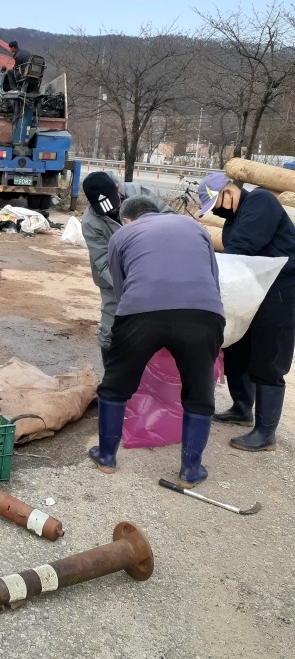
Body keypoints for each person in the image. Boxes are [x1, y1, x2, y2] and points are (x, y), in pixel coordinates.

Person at [89, 196, 225, 487]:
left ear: (127, 219)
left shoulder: (122, 234)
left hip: (141, 313)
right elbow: (214, 277)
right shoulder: (195, 227)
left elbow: (120, 285)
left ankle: (107, 457)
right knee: (199, 393)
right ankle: (190, 470)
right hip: (203, 314)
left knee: (115, 385)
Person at [197, 171, 295, 451]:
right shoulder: (234, 219)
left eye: (216, 205)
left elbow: (243, 248)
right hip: (253, 289)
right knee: (238, 348)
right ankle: (242, 408)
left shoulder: (261, 202)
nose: (217, 211)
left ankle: (266, 433)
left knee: (269, 356)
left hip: (280, 289)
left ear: (228, 192)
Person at [81, 171, 171, 365]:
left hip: (154, 268)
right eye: (105, 210)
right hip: (114, 279)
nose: (113, 211)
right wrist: (130, 287)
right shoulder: (90, 221)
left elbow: (170, 220)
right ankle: (111, 380)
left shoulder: (140, 194)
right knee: (111, 327)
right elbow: (104, 262)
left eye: (115, 205)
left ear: (117, 188)